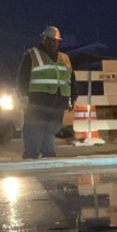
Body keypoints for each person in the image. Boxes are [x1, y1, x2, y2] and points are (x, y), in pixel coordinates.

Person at [17, 26, 73, 159]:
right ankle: (31, 156)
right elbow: (22, 76)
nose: (52, 43)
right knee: (34, 129)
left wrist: (71, 98)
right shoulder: (32, 54)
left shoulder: (64, 58)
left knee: (50, 130)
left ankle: (48, 154)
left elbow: (71, 80)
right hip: (37, 101)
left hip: (57, 103)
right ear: (43, 40)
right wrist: (23, 96)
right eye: (49, 40)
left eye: (55, 41)